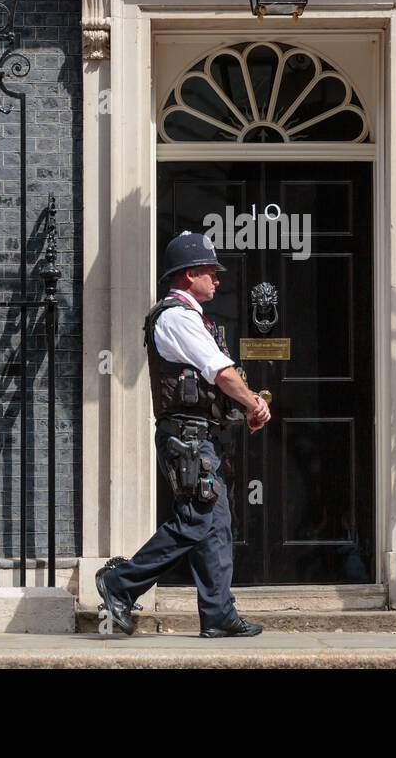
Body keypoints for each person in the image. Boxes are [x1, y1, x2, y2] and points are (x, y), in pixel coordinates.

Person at [96, 231, 272, 638]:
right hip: (187, 440)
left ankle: (218, 613)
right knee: (195, 520)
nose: (218, 280)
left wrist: (236, 409)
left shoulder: (189, 317)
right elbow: (221, 372)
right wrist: (252, 403)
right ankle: (121, 584)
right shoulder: (177, 316)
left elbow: (207, 381)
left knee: (215, 524)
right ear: (191, 274)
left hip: (198, 438)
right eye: (211, 272)